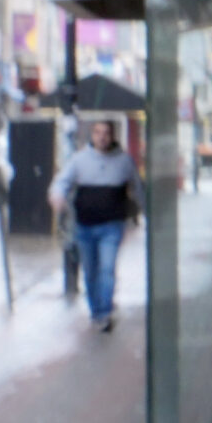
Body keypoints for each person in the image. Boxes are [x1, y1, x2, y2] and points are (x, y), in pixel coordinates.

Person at [49, 117, 143, 331]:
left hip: (112, 226)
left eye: (106, 133)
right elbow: (62, 181)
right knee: (90, 271)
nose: (102, 137)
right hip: (85, 227)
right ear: (92, 135)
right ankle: (96, 310)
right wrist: (57, 195)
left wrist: (148, 213)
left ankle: (104, 312)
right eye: (98, 132)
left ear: (112, 136)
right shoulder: (79, 160)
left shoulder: (124, 161)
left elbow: (138, 188)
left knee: (107, 269)